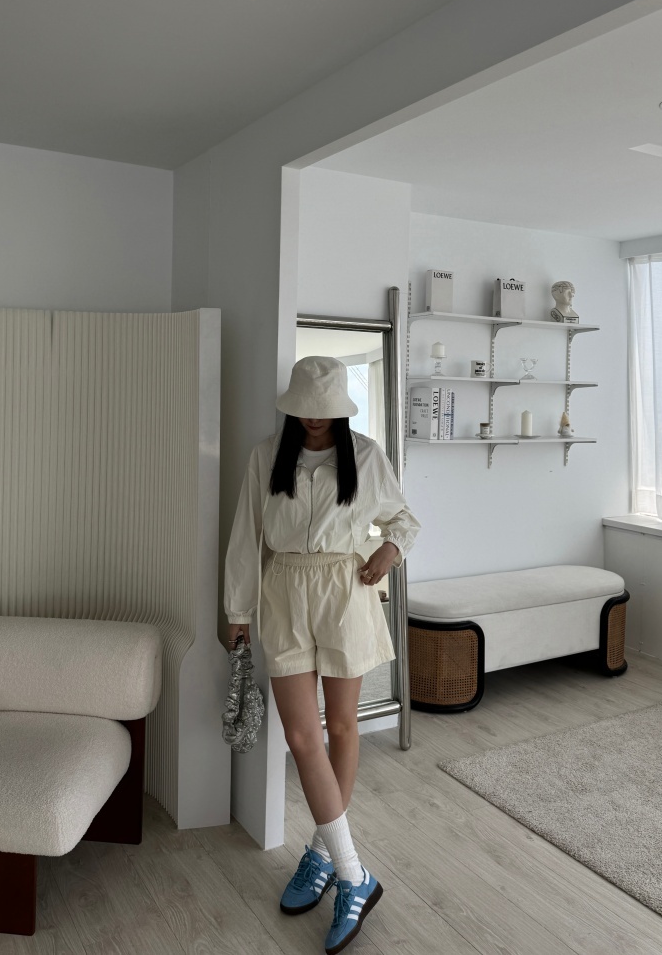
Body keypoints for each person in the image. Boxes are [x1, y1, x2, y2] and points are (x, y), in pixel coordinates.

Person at [225, 355, 420, 954]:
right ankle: (355, 875)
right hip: (283, 592)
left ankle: (321, 855)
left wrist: (389, 550)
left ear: (340, 408)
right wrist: (237, 611)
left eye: (324, 408)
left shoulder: (365, 455)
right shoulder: (266, 457)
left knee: (341, 726)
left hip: (345, 592)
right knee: (301, 737)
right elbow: (246, 536)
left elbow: (404, 519)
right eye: (305, 408)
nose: (314, 418)